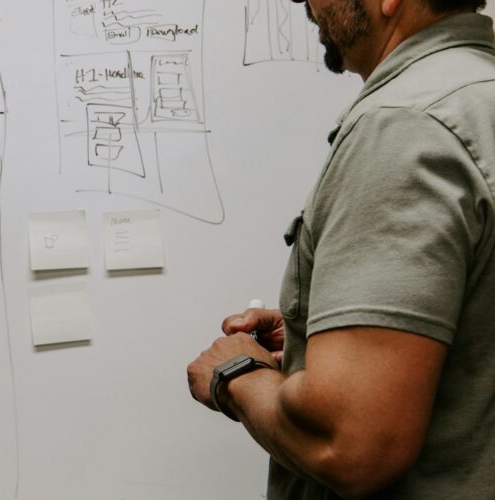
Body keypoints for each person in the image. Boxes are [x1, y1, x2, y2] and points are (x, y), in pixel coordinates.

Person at [186, 0, 495, 498]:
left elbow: (350, 444)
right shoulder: (479, 95)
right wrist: (319, 332)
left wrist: (233, 374)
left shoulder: (405, 126)